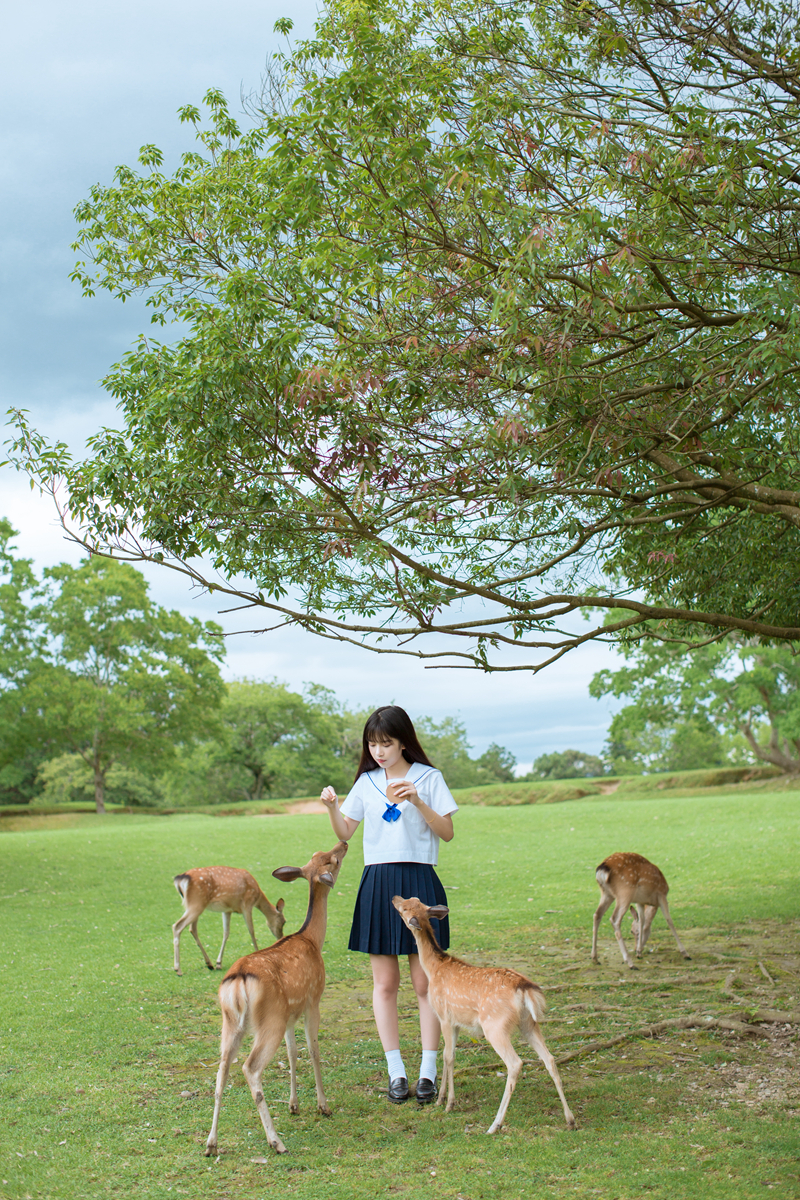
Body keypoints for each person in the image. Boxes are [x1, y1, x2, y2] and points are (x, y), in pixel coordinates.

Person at [320, 705, 457, 1105]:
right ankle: (396, 1072)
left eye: (387, 743)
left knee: (425, 983)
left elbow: (447, 833)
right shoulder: (365, 782)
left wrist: (417, 800)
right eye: (373, 744)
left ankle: (428, 1072)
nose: (379, 751)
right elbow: (346, 830)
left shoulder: (429, 779)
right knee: (385, 983)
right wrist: (332, 807)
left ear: (403, 742)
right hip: (379, 883)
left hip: (419, 881)